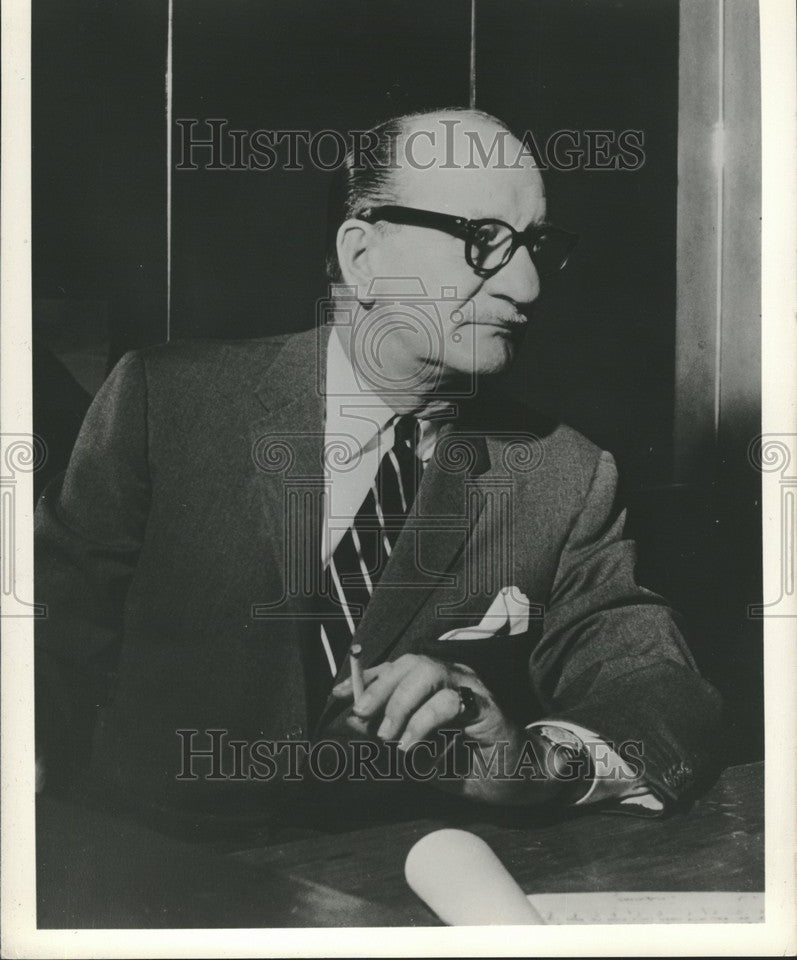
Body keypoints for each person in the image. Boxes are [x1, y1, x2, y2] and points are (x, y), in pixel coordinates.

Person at [34, 108, 722, 834]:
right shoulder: (165, 402)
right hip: (148, 878)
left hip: (391, 892)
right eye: (482, 240)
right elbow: (41, 634)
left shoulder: (563, 473)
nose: (525, 287)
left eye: (534, 246)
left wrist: (532, 766)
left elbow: (660, 690)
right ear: (361, 257)